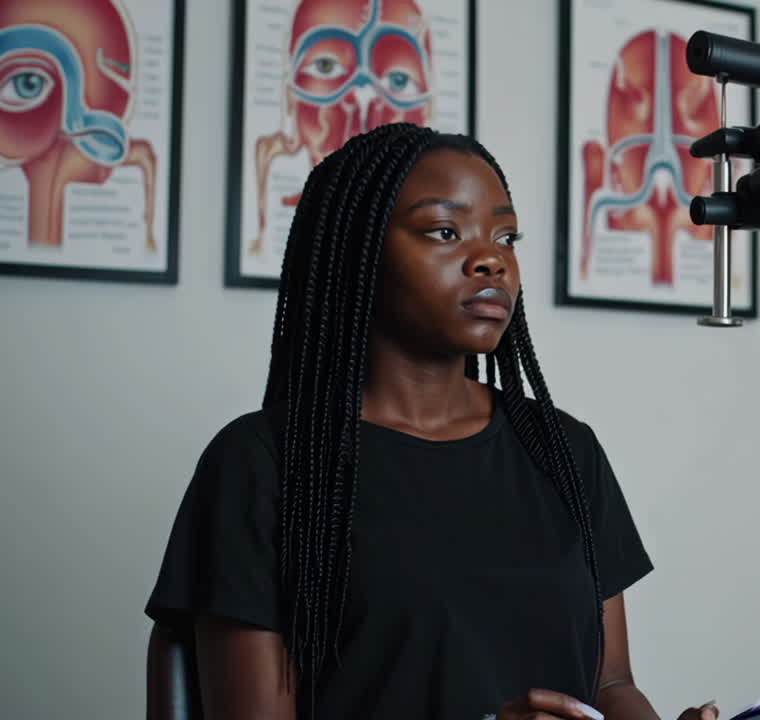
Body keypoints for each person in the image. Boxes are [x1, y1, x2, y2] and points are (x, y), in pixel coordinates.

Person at [145, 124, 718, 719]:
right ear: (355, 253)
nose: (491, 259)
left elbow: (611, 684)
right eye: (444, 231)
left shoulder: (564, 450)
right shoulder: (262, 462)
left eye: (506, 237)